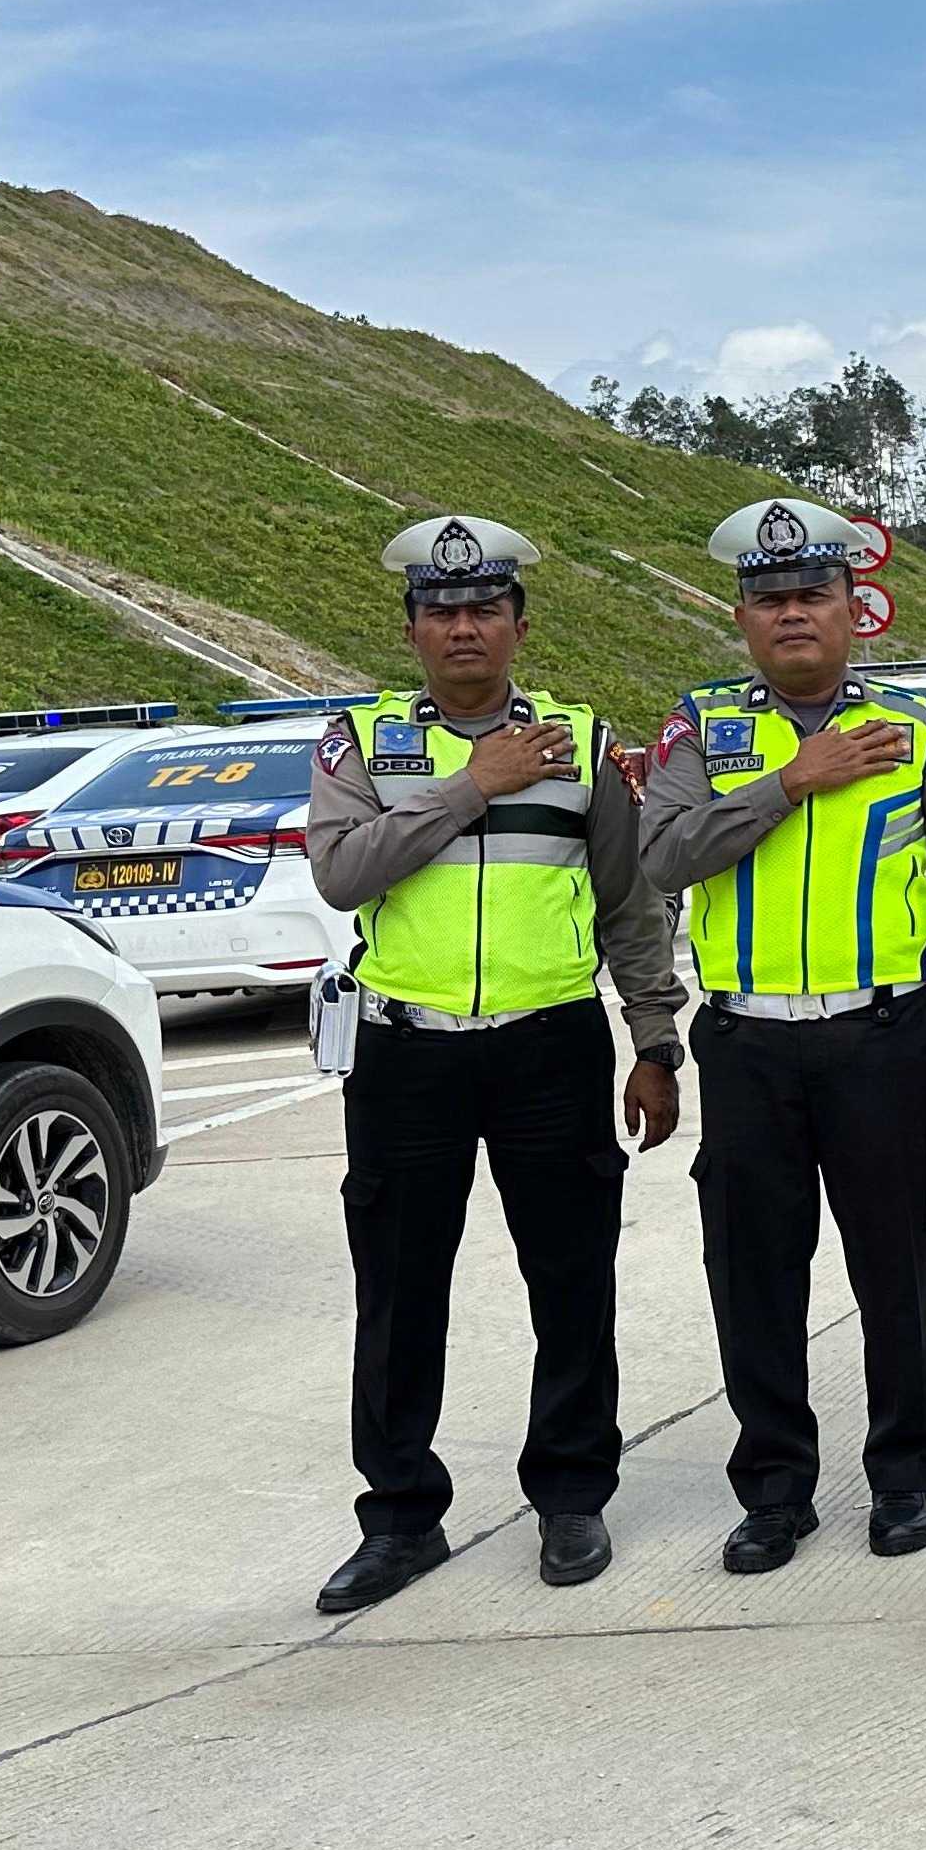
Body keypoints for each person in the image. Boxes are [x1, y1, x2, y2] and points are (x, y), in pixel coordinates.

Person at [300, 515, 687, 1613]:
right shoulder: (360, 742)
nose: (463, 627)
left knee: (570, 1280)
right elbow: (342, 874)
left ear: (519, 625)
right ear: (412, 629)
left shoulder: (579, 739)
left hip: (550, 1047)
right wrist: (474, 783)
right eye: (442, 611)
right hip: (405, 1051)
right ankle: (400, 1518)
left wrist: (654, 1041)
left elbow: (630, 907)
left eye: (484, 610)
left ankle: (571, 1493)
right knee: (399, 1290)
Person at [641, 497, 926, 1573]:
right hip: (747, 1047)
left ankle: (904, 1478)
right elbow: (662, 859)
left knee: (896, 1271)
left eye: (813, 595)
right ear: (741, 618)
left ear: (857, 610)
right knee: (754, 1275)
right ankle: (773, 1491)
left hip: (881, 1039)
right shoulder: (702, 727)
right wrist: (792, 783)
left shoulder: (913, 729)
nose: (792, 615)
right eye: (770, 600)